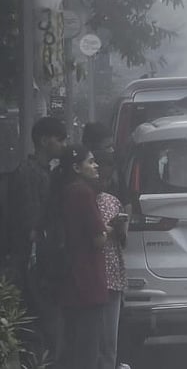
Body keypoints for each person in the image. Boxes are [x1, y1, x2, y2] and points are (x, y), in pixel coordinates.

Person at [5, 116, 69, 359]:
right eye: (60, 139)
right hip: (33, 268)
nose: (64, 144)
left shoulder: (44, 173)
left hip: (43, 266)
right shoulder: (28, 175)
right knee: (43, 330)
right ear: (44, 141)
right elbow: (31, 226)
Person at [51, 146, 110, 369]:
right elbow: (98, 239)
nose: (96, 166)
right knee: (87, 351)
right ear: (76, 167)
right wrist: (110, 230)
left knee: (72, 348)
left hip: (69, 280)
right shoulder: (83, 192)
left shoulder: (63, 191)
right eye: (91, 162)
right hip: (88, 282)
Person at [93, 147, 128, 369]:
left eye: (108, 177)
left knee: (109, 341)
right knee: (92, 339)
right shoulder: (80, 199)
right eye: (101, 176)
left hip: (113, 277)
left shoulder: (113, 201)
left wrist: (120, 229)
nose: (104, 181)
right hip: (91, 278)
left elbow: (122, 243)